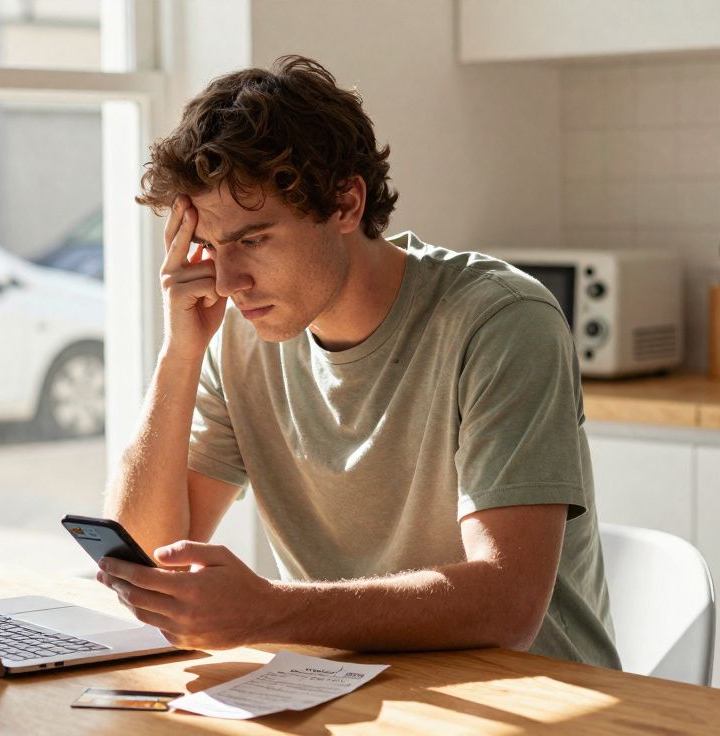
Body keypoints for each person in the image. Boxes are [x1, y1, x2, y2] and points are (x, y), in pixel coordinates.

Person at [96, 55, 620, 669]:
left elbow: (506, 604)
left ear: (345, 203)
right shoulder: (244, 336)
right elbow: (147, 562)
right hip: (346, 694)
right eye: (210, 246)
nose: (229, 279)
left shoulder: (501, 321)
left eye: (254, 238)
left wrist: (266, 609)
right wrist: (179, 353)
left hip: (538, 702)